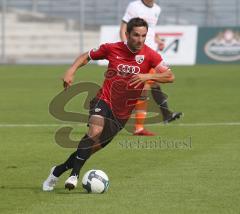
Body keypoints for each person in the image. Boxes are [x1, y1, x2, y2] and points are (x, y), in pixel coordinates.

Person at [42, 18, 174, 191]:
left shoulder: (150, 55)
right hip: (103, 100)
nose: (140, 39)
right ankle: (74, 175)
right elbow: (86, 56)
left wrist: (147, 76)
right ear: (127, 34)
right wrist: (71, 70)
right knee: (94, 131)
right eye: (136, 35)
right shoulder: (111, 48)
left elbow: (170, 76)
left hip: (122, 114)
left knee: (90, 148)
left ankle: (57, 171)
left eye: (143, 35)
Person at [120, 0, 182, 136]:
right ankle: (103, 113)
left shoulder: (157, 9)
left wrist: (158, 39)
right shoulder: (134, 6)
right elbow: (124, 28)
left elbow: (151, 30)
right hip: (137, 54)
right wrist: (125, 49)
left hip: (150, 55)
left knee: (151, 85)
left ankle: (163, 116)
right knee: (139, 88)